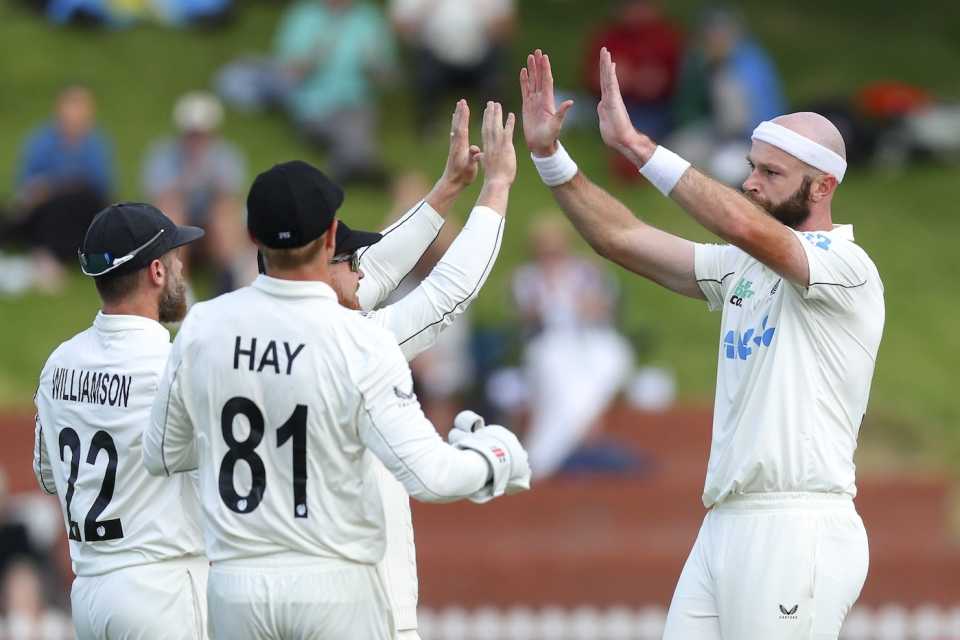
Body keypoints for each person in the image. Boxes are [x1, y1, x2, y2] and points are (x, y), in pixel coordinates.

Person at [520, 48, 884, 639]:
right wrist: (549, 155)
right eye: (752, 166)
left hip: (798, 524)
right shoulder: (741, 269)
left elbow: (740, 223)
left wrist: (639, 148)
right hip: (724, 521)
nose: (750, 182)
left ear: (823, 187)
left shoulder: (847, 267)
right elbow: (622, 239)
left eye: (771, 173)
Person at [143, 101, 529, 640]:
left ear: (250, 237)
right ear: (329, 241)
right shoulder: (359, 341)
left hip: (234, 588)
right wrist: (498, 458)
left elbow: (164, 454)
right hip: (336, 587)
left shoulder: (204, 328)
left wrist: (446, 190)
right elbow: (433, 471)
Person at [32, 203, 210, 639]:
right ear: (156, 272)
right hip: (161, 589)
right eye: (175, 257)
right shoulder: (172, 365)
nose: (182, 266)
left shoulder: (59, 364)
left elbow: (47, 476)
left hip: (91, 592)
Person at [512, 215, 633, 479]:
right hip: (548, 344)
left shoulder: (585, 272)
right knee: (560, 381)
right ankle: (549, 453)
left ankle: (583, 442)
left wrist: (583, 294)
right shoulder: (527, 278)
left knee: (604, 365)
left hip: (586, 340)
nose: (551, 258)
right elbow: (527, 317)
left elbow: (602, 309)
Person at [274, 0, 396, 184]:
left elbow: (388, 78)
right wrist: (312, 59)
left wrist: (374, 67)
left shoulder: (369, 18)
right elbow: (285, 75)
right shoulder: (303, 16)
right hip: (314, 106)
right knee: (355, 139)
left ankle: (339, 171)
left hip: (358, 104)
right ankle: (368, 169)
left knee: (355, 131)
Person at [142, 91, 252, 293]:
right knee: (172, 209)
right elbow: (160, 195)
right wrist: (188, 179)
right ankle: (177, 285)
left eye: (201, 133)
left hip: (211, 226)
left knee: (223, 212)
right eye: (192, 133)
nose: (196, 139)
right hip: (181, 221)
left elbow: (229, 193)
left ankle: (229, 279)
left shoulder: (226, 155)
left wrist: (204, 176)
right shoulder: (163, 153)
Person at [5, 85, 114, 288]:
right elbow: (27, 185)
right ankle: (46, 255)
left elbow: (101, 186)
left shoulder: (95, 145)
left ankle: (49, 255)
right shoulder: (42, 141)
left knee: (77, 200)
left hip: (81, 211)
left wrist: (57, 185)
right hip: (47, 209)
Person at [669, 7, 784, 185]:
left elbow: (757, 118)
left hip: (750, 140)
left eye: (720, 33)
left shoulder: (749, 65)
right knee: (675, 152)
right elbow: (689, 108)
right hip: (716, 134)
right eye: (711, 34)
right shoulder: (705, 63)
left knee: (725, 169)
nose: (715, 39)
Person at [390, 0, 515, 137]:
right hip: (434, 56)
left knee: (494, 80)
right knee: (426, 77)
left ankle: (492, 126)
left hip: (481, 57)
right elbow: (400, 25)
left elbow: (508, 26)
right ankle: (429, 127)